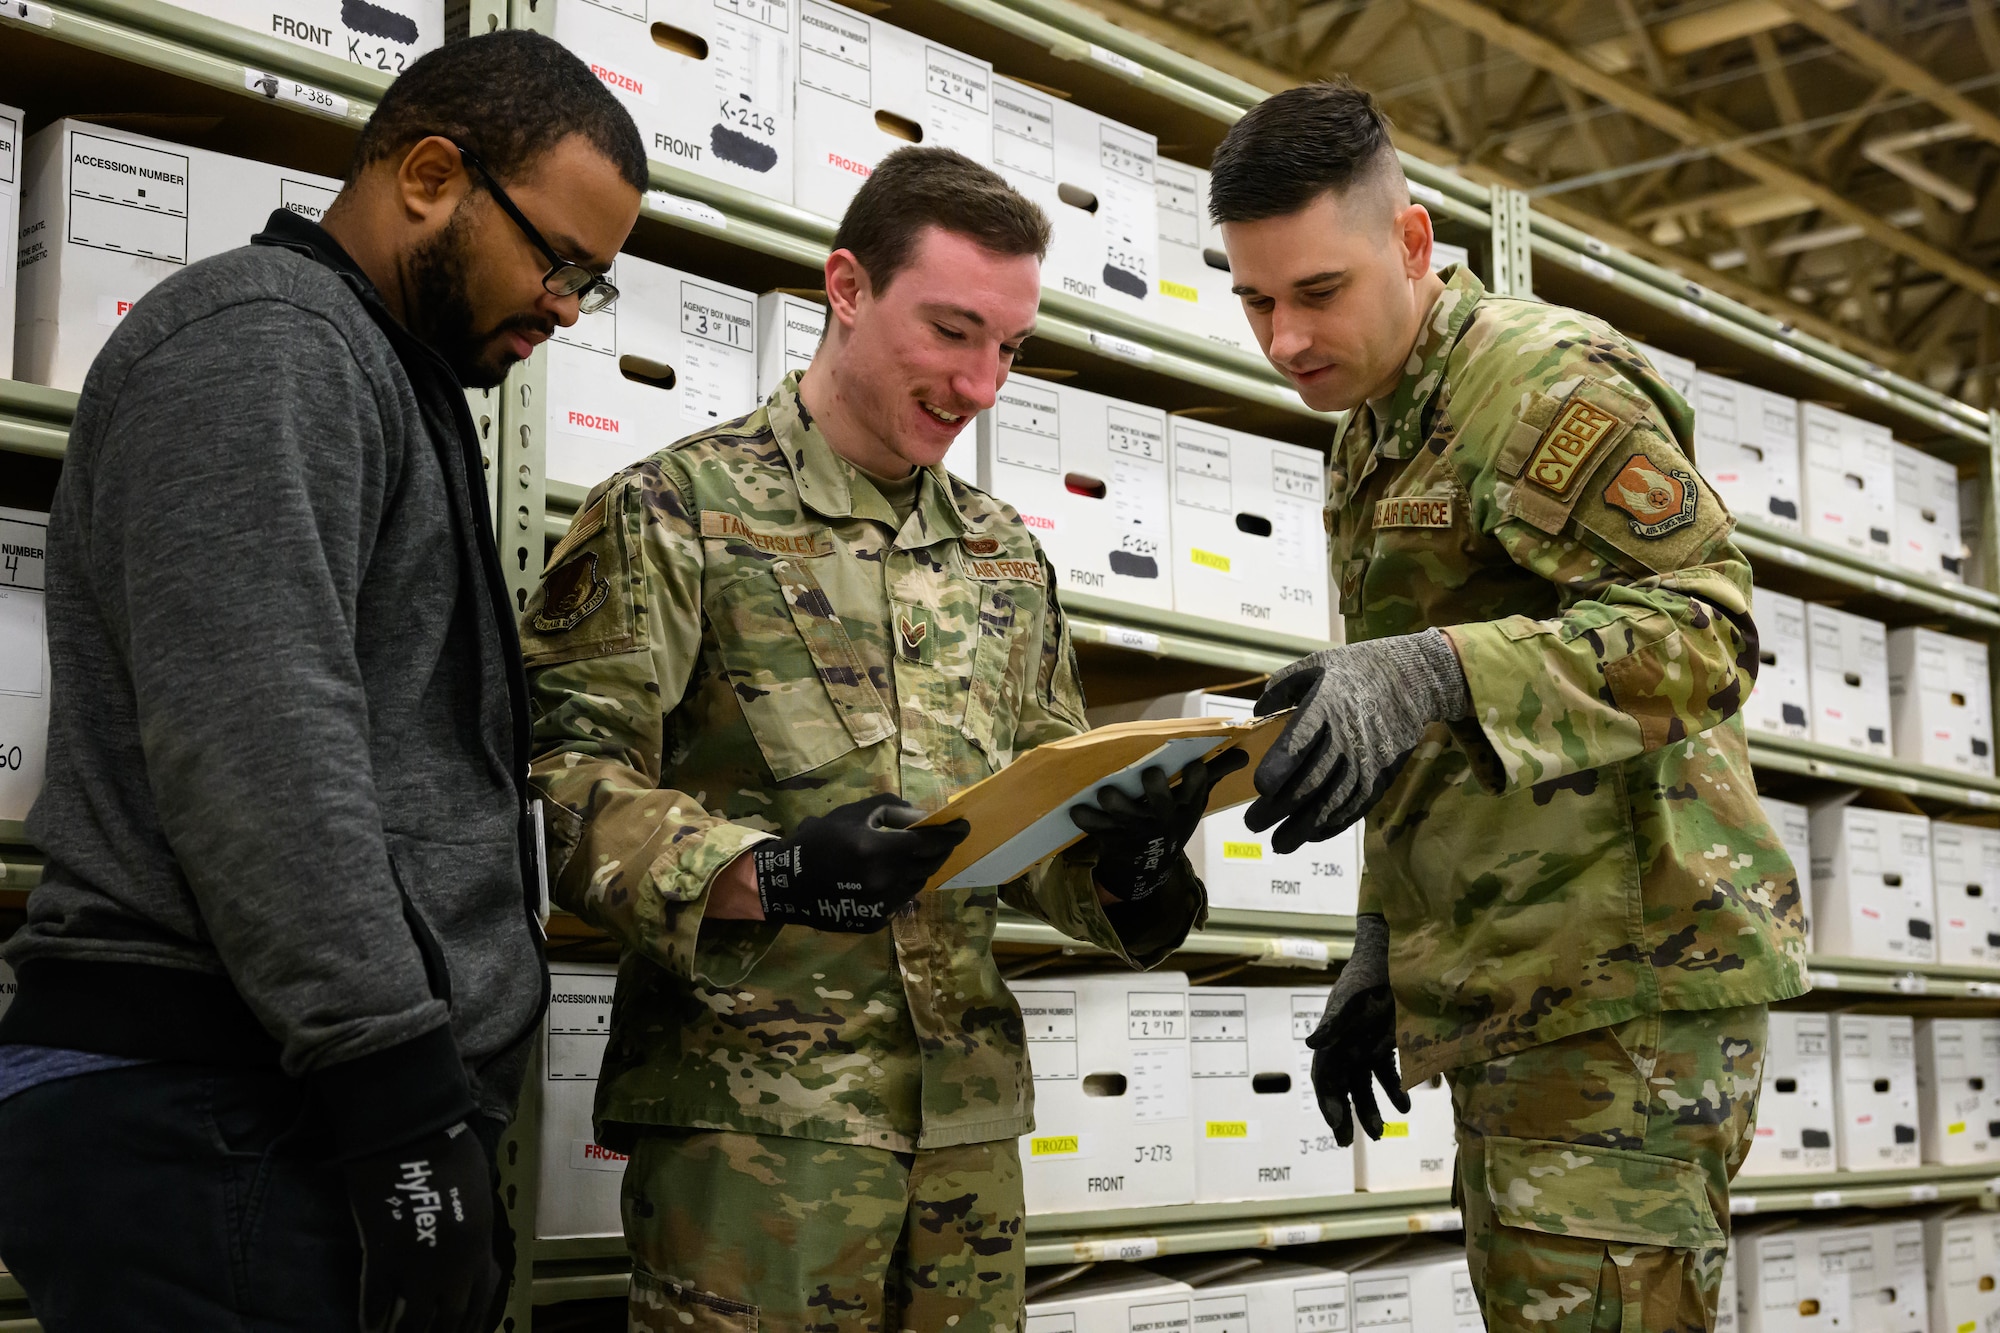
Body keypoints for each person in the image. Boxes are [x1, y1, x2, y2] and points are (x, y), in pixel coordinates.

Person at [521, 144, 1240, 1331]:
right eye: (952, 332)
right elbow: (556, 781)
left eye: (1008, 347)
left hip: (965, 1135)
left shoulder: (1005, 553)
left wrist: (1127, 863)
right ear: (845, 288)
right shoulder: (675, 510)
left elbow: (1043, 816)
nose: (980, 384)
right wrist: (770, 873)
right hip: (752, 1134)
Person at [0, 31, 645, 1333]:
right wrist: (401, 1114)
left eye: (596, 283)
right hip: (226, 1108)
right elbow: (262, 756)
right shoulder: (269, 345)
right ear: (426, 173)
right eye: (557, 258)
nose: (568, 305)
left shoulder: (373, 374)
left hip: (276, 1105)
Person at [1208, 81, 1808, 1332]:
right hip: (1521, 981)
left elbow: (1706, 626)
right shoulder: (1374, 428)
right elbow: (1407, 720)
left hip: (1622, 993)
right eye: (1254, 301)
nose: (1283, 341)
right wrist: (1385, 942)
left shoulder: (1532, 387)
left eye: (1317, 292)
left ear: (1412, 243)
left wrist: (1433, 667)